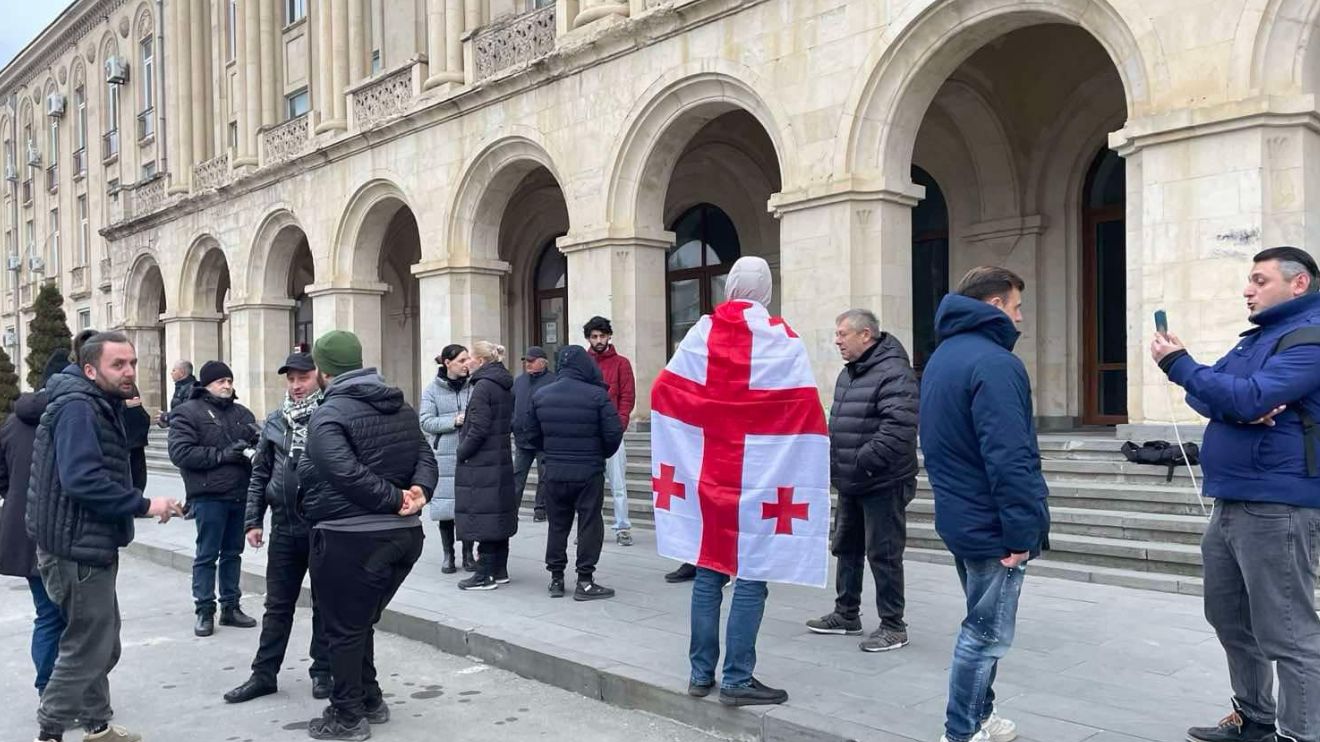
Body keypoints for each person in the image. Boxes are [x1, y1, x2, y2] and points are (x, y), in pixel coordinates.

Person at [1151, 246, 1320, 742]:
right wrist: (1238, 403)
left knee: (1287, 629)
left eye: (1259, 280)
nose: (1248, 289)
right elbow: (1206, 394)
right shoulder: (1258, 340)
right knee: (1227, 615)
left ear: (1299, 284)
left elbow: (1242, 393)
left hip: (1278, 504)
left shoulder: (1309, 338)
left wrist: (1179, 361)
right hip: (1231, 500)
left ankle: (1302, 733)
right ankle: (1255, 717)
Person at [653, 256, 830, 707]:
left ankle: (699, 675)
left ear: (729, 286)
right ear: (766, 290)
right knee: (752, 575)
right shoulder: (782, 338)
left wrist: (686, 444)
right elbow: (805, 409)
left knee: (709, 572)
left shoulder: (701, 333)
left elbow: (664, 392)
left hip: (708, 479)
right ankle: (736, 679)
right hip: (761, 480)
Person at [26, 332, 182, 742]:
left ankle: (97, 727)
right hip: (77, 546)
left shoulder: (96, 402)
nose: (129, 371)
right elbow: (82, 479)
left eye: (131, 363)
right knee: (89, 646)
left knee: (98, 642)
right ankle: (50, 731)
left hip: (84, 542)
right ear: (90, 369)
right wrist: (144, 505)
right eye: (119, 365)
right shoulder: (78, 408)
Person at [919, 267, 1050, 742]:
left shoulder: (943, 357)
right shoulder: (995, 363)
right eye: (1017, 307)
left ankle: (980, 716)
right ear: (994, 305)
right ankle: (962, 730)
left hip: (962, 516)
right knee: (986, 634)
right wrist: (1020, 533)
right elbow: (1009, 457)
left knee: (981, 623)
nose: (1020, 319)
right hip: (993, 524)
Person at [297, 330, 437, 740]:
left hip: (351, 538)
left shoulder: (329, 413)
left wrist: (396, 498)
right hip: (404, 538)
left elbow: (342, 471)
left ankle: (346, 716)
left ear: (323, 370)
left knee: (341, 629)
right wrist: (419, 493)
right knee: (359, 623)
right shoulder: (400, 405)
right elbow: (425, 456)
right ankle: (370, 699)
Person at [807, 308, 918, 653]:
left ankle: (893, 626)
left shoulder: (894, 372)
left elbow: (899, 428)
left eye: (843, 334)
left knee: (883, 553)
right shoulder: (850, 374)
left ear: (865, 335)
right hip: (852, 479)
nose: (837, 340)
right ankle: (846, 613)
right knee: (847, 547)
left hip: (882, 480)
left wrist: (862, 461)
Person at [224, 349, 332, 704]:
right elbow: (260, 474)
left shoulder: (330, 416)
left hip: (322, 527)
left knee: (325, 603)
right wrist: (253, 520)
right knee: (277, 605)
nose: (297, 385)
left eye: (303, 378)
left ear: (318, 376)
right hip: (285, 528)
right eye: (291, 379)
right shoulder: (275, 420)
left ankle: (323, 672)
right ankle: (263, 674)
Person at [167, 360, 260, 637]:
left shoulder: (242, 413)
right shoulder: (187, 413)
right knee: (207, 555)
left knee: (233, 553)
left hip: (239, 494)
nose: (227, 386)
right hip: (208, 495)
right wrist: (222, 455)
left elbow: (259, 445)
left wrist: (256, 447)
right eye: (221, 381)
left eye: (229, 381)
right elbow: (181, 453)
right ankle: (204, 609)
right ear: (207, 384)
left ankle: (231, 606)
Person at [523, 344, 623, 600]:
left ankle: (556, 579)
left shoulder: (542, 395)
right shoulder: (597, 395)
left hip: (554, 470)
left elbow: (530, 434)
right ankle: (585, 580)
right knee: (589, 523)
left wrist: (550, 452)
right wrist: (599, 454)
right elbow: (613, 434)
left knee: (557, 525)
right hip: (588, 470)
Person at [0, 349, 71, 696]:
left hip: (20, 530)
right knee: (72, 617)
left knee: (46, 614)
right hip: (57, 530)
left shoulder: (13, 421)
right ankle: (63, 691)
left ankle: (47, 688)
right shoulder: (67, 416)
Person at [454, 341, 518, 591]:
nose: (467, 362)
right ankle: (500, 569)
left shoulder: (483, 387)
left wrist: (462, 451)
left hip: (481, 462)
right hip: (499, 457)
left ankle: (484, 574)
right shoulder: (503, 384)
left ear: (480, 361)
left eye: (470, 357)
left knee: (484, 518)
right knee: (498, 513)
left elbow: (478, 428)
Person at [419, 344, 476, 574]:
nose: (467, 364)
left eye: (468, 359)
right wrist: (454, 421)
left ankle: (468, 554)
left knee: (469, 507)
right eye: (462, 360)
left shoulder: (474, 387)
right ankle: (448, 555)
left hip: (471, 454)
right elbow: (425, 421)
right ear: (447, 363)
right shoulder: (432, 390)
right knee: (446, 509)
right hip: (444, 456)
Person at [585, 316, 636, 546]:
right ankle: (587, 529)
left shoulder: (621, 363)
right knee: (587, 484)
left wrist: (620, 424)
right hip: (587, 432)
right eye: (594, 336)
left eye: (602, 336)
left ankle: (622, 526)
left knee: (618, 483)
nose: (598, 340)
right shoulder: (583, 363)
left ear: (608, 336)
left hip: (612, 432)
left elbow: (627, 396)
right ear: (588, 338)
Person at [512, 346, 556, 522]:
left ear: (543, 363)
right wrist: (512, 423)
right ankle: (512, 510)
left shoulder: (553, 381)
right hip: (522, 439)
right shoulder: (519, 381)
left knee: (544, 476)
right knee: (517, 476)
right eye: (526, 361)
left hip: (543, 439)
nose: (528, 364)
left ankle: (540, 509)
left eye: (531, 361)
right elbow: (511, 404)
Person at [156, 359, 197, 427]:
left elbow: (186, 413)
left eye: (174, 370)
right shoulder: (180, 388)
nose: (171, 373)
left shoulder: (191, 389)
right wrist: (167, 423)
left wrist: (167, 417)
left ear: (182, 373)